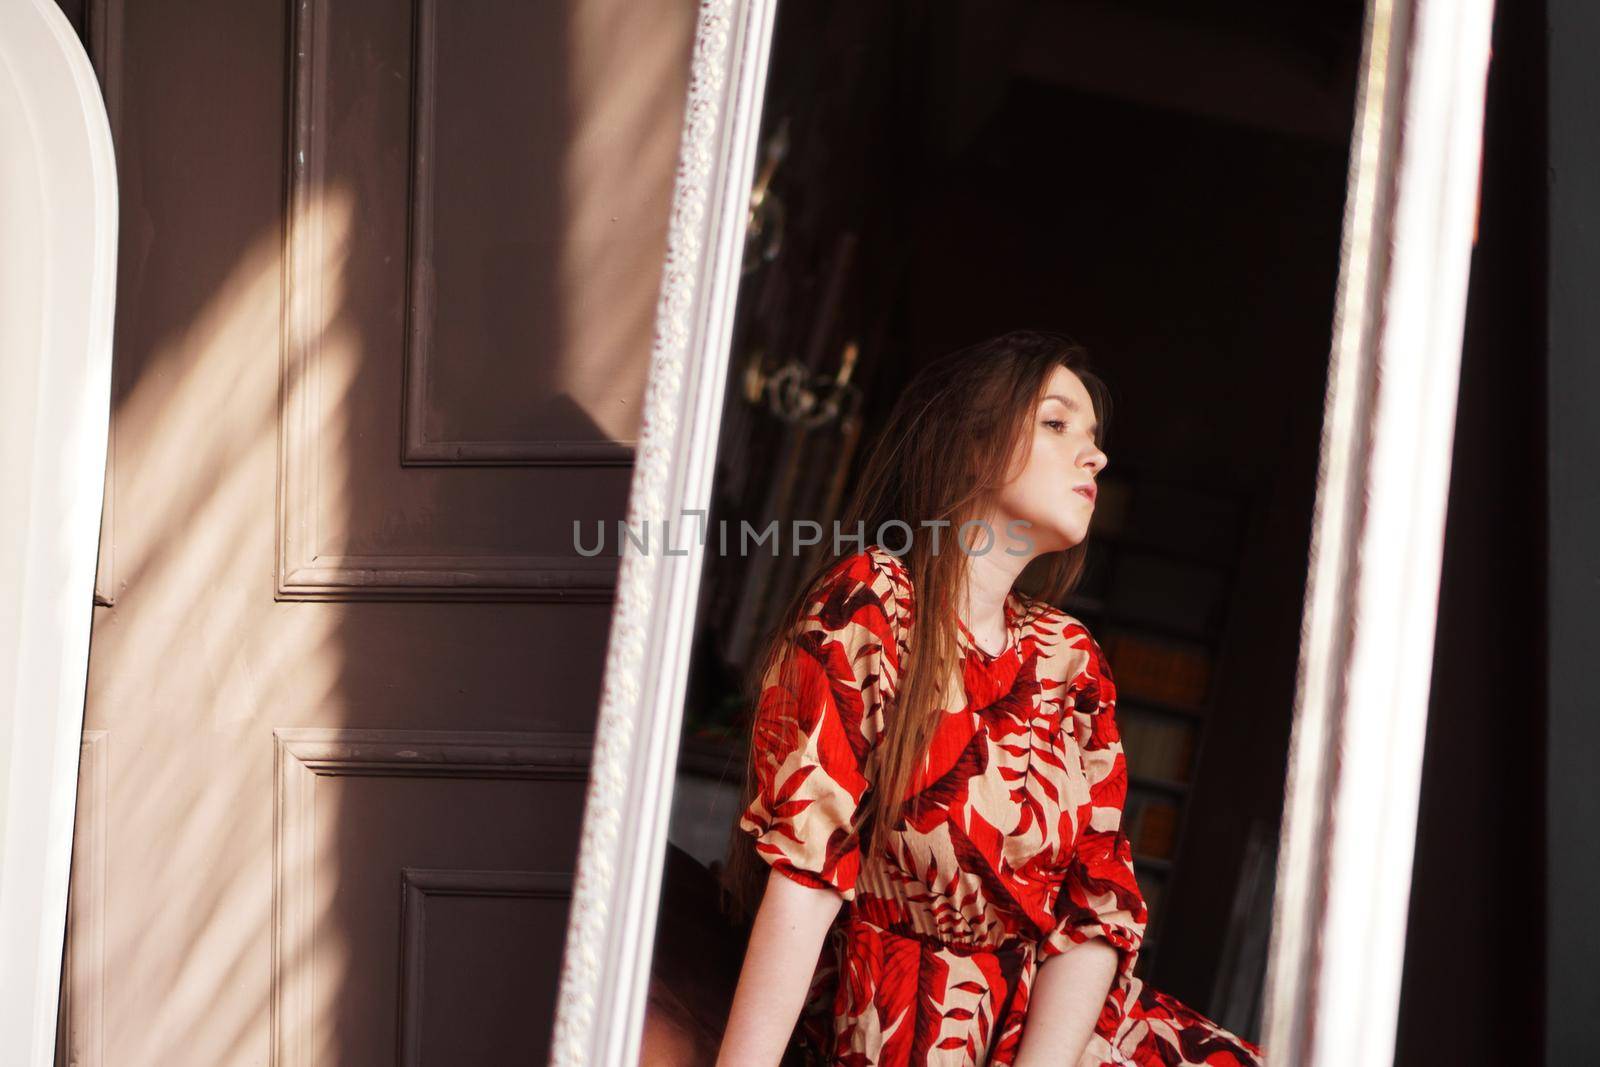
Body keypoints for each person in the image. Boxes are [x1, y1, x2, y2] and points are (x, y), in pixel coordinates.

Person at [713, 331, 1264, 1066]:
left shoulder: (1071, 660)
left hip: (1062, 1041)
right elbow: (804, 876)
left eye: (1094, 437)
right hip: (910, 1027)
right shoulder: (870, 607)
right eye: (1057, 423)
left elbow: (1096, 911)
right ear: (972, 447)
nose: (1094, 456)